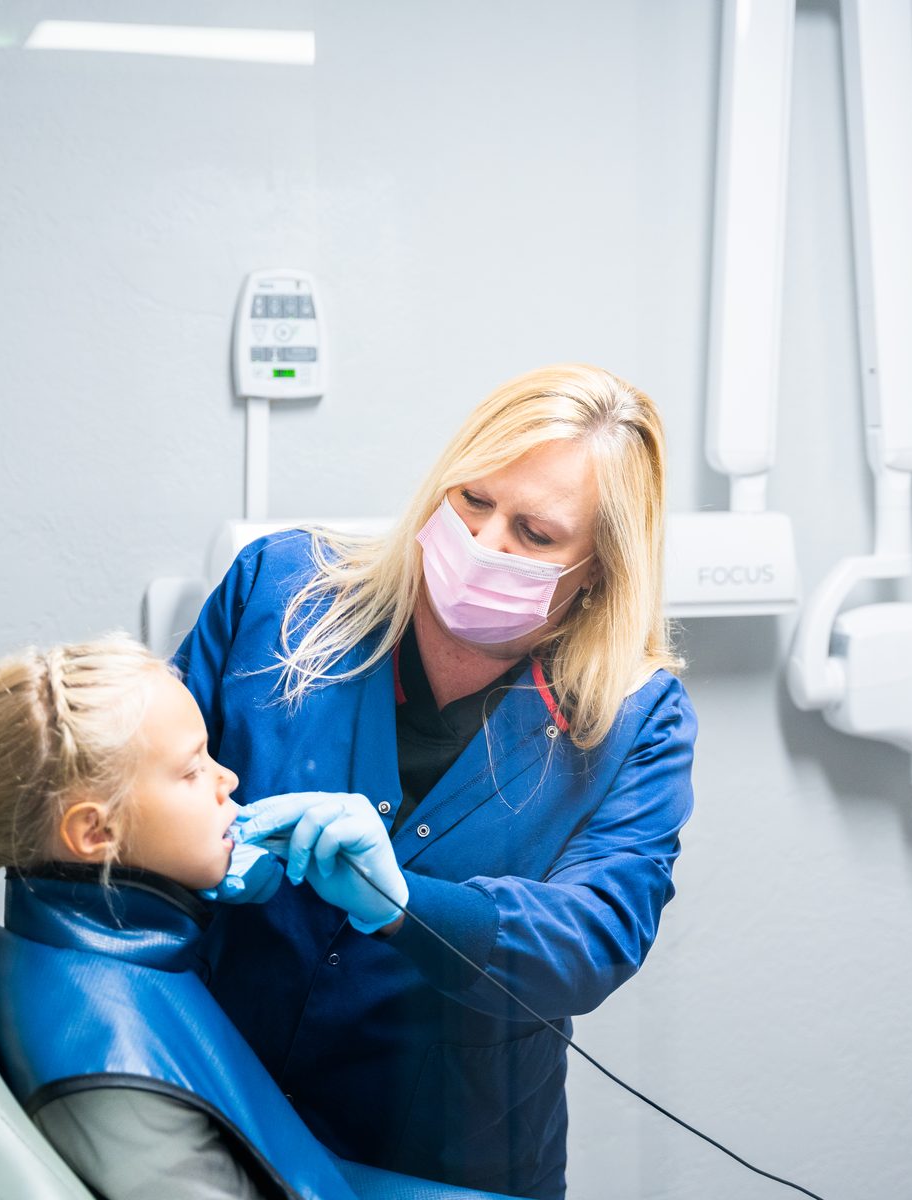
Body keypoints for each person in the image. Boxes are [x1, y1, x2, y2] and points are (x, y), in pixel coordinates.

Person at [175, 362, 698, 1198]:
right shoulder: (279, 593)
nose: (485, 544)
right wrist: (194, 854)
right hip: (212, 1117)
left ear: (598, 567)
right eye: (473, 502)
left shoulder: (636, 720)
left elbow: (597, 934)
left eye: (536, 535)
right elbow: (142, 780)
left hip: (445, 1162)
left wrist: (411, 909)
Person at [0, 636, 321, 1200]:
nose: (228, 780)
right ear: (96, 833)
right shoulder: (112, 1066)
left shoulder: (109, 963)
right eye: (192, 771)